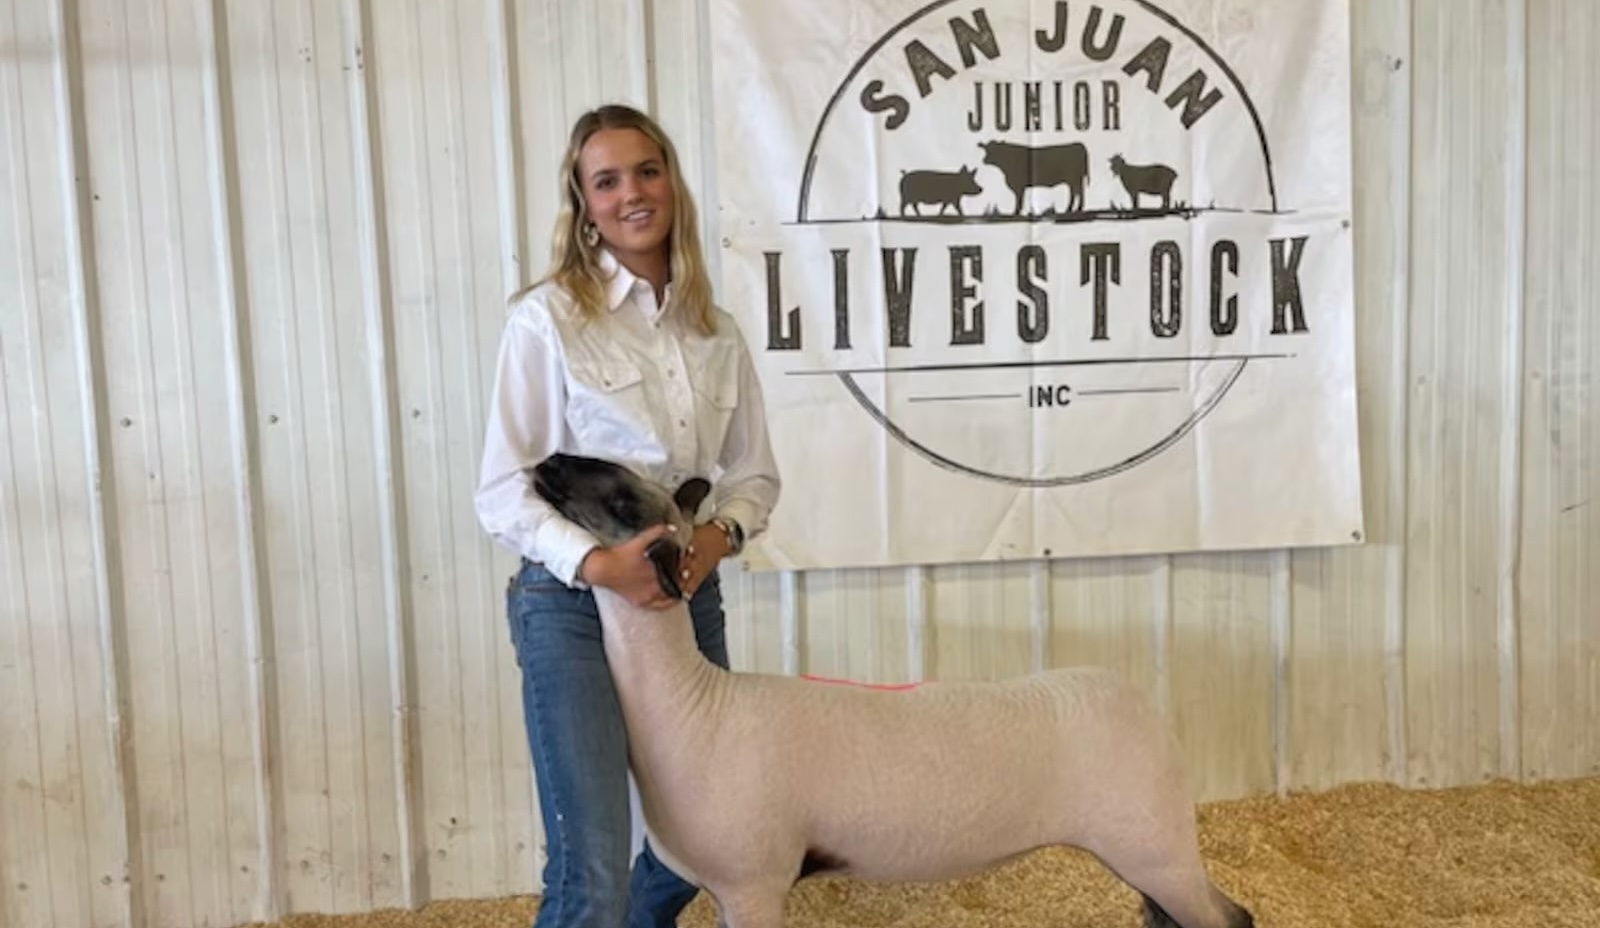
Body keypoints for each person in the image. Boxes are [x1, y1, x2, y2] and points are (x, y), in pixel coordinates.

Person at [474, 102, 781, 928]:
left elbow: (752, 477)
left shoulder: (715, 333)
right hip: (572, 606)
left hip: (683, 598)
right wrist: (596, 563)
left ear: (671, 183)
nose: (631, 194)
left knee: (702, 841)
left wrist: (715, 541)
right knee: (593, 864)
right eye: (606, 181)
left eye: (647, 172)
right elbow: (503, 488)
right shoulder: (548, 320)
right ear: (583, 203)